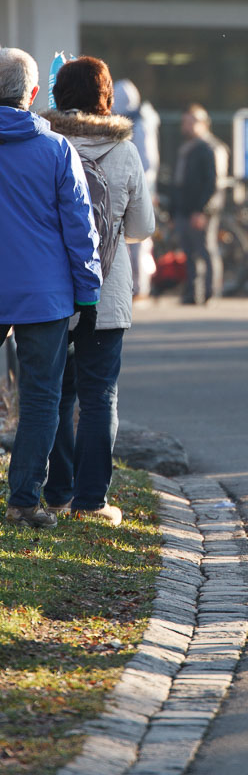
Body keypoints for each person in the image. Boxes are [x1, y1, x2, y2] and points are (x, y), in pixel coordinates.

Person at [42, 56, 155, 525]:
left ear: (58, 96)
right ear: (106, 96)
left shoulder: (44, 144)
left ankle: (57, 492)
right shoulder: (124, 151)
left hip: (50, 293)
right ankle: (92, 502)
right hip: (106, 296)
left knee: (55, 394)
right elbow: (142, 228)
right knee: (99, 396)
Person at [0, 47, 101, 529]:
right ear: (34, 94)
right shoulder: (57, 148)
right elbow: (80, 230)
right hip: (45, 293)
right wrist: (89, 295)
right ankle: (23, 502)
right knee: (41, 398)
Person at [112, 79, 160, 299]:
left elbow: (146, 161)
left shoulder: (139, 123)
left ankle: (139, 285)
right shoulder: (143, 120)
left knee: (138, 238)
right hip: (139, 187)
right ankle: (137, 284)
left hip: (136, 188)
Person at [170, 105, 217, 305]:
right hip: (184, 209)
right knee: (188, 252)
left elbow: (211, 182)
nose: (187, 126)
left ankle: (209, 292)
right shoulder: (186, 148)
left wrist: (202, 210)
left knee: (205, 250)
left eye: (192, 122)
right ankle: (191, 293)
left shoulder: (208, 148)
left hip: (199, 209)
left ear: (204, 124)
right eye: (185, 122)